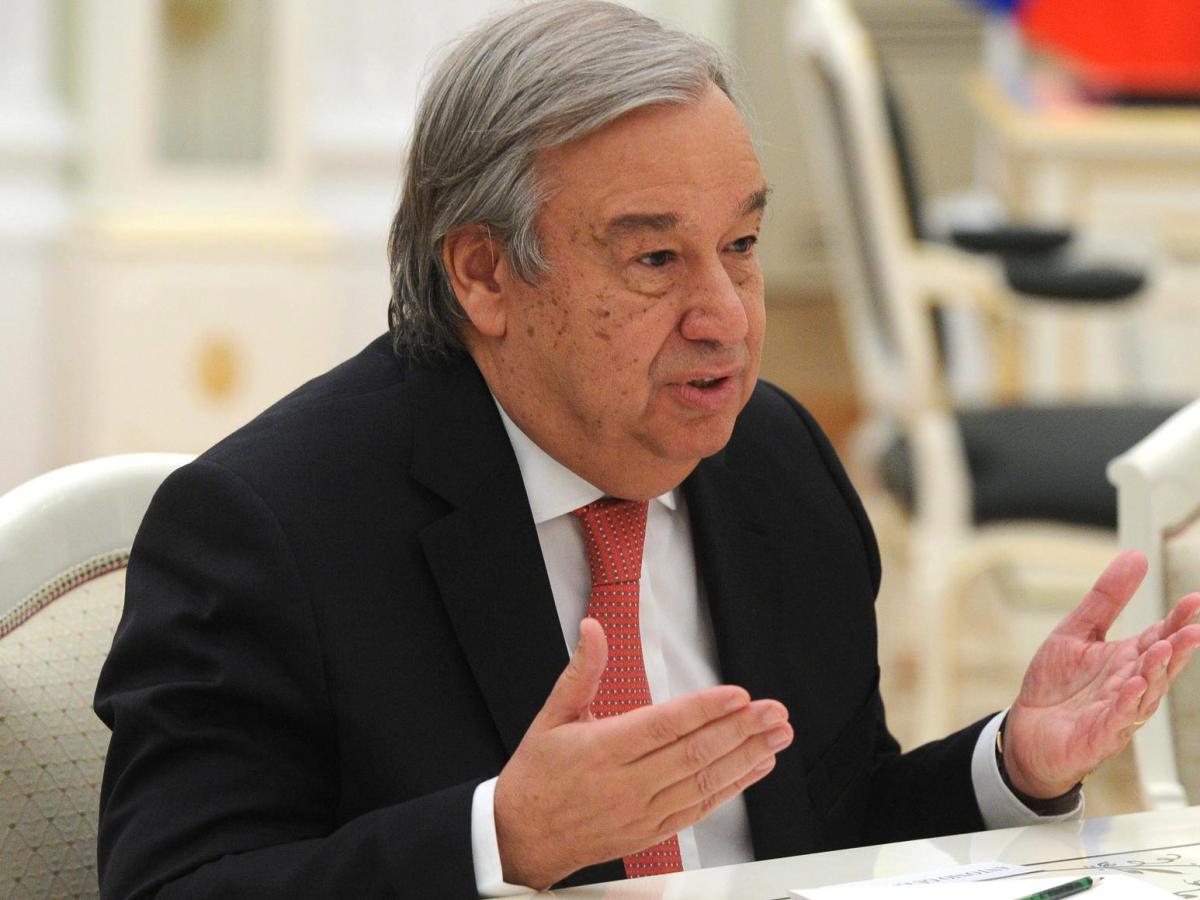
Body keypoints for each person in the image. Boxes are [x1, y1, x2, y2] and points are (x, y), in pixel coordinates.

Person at [94, 2, 1200, 897]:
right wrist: (501, 841)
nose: (727, 317)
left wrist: (1010, 766)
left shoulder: (772, 460)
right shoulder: (270, 526)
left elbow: (829, 833)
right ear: (484, 274)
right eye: (657, 262)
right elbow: (176, 884)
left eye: (742, 245)